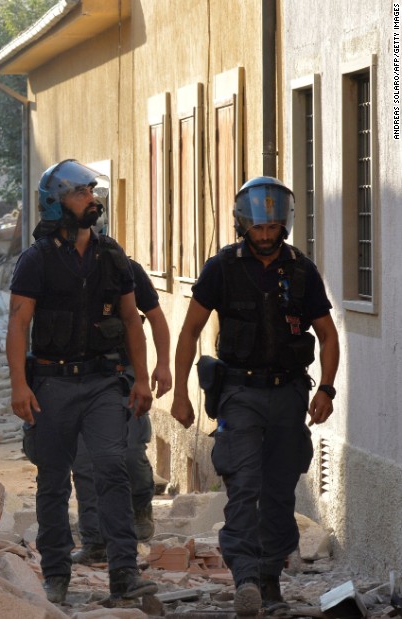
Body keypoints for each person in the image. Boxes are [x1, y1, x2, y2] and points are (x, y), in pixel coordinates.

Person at [169, 176, 339, 616]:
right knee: (243, 486)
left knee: (279, 491)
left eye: (273, 227)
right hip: (239, 393)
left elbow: (327, 334)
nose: (265, 235)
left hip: (288, 395)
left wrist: (326, 388)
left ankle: (269, 581)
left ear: (284, 224)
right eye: (258, 227)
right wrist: (181, 394)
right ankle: (245, 577)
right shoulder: (222, 268)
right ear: (243, 224)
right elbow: (189, 331)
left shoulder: (302, 271)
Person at [8, 159, 156, 603]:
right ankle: (56, 574)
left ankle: (123, 573)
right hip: (51, 385)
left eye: (92, 191)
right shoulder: (36, 260)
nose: (92, 199)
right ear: (56, 203)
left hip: (103, 383)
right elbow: (18, 324)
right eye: (80, 193)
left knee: (112, 467)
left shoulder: (112, 256)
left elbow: (132, 321)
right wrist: (19, 386)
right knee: (53, 480)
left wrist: (142, 379)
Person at [71, 256, 172, 565]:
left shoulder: (123, 269)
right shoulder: (50, 266)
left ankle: (140, 507)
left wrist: (162, 365)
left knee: (128, 451)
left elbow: (155, 317)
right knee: (84, 461)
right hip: (74, 377)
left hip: (121, 373)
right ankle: (94, 540)